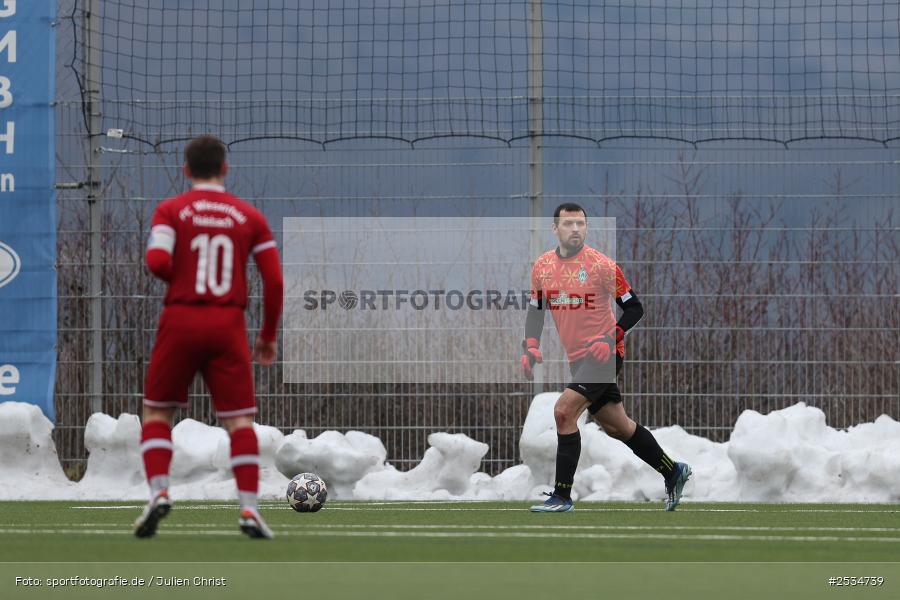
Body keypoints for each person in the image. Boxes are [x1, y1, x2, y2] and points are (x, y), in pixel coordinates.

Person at [134, 135, 284, 539]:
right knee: (239, 422)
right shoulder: (247, 216)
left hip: (180, 319)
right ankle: (250, 508)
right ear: (225, 169)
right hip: (227, 324)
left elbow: (156, 261)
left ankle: (159, 491)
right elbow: (273, 278)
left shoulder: (171, 210)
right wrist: (267, 335)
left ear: (186, 171)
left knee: (157, 414)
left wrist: (180, 277)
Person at [521, 203, 691, 512]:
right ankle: (673, 470)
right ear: (555, 229)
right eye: (568, 224)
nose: (576, 229)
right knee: (618, 427)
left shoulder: (601, 265)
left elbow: (634, 308)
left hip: (605, 355)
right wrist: (531, 344)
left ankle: (562, 495)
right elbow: (536, 309)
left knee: (563, 412)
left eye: (581, 224)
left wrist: (609, 337)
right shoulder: (542, 266)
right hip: (579, 360)